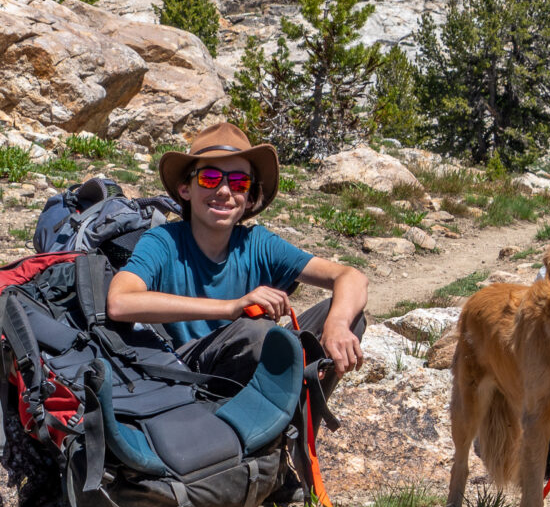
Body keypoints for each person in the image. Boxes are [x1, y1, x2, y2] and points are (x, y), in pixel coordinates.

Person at [107, 120, 369, 400]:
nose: (223, 191)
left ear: (249, 195)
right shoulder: (163, 241)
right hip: (187, 371)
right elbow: (120, 302)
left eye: (238, 182)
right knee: (256, 332)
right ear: (186, 189)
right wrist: (232, 308)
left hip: (252, 352)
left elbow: (351, 277)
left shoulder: (257, 244)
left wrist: (337, 325)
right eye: (209, 178)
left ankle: (296, 428)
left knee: (347, 316)